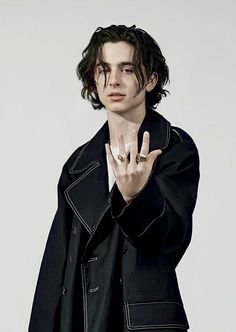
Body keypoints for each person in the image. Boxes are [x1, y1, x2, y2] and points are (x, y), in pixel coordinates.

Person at [29, 24, 200, 332]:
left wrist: (136, 198)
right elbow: (56, 264)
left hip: (142, 322)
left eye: (127, 69)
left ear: (150, 80)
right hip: (81, 319)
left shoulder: (174, 148)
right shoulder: (78, 166)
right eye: (103, 69)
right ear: (93, 80)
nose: (114, 80)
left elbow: (172, 241)